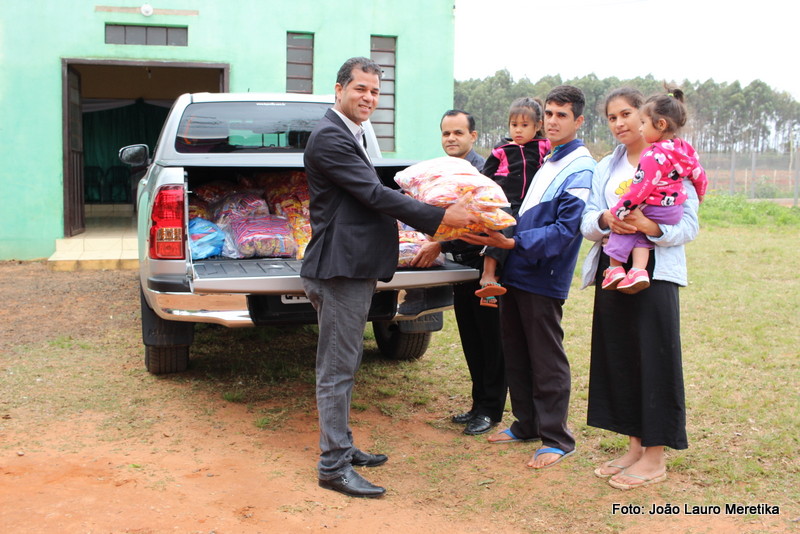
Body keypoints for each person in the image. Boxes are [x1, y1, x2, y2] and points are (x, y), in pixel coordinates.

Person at [300, 57, 476, 498]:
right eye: (360, 88)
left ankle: (342, 445)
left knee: (345, 364)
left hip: (352, 266)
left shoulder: (350, 132)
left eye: (376, 91)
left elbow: (372, 193)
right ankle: (333, 467)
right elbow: (373, 194)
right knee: (336, 370)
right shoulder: (330, 136)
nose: (369, 98)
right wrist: (439, 216)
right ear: (339, 89)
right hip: (339, 269)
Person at [461, 85, 594, 469]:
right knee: (517, 351)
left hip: (543, 273)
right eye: (548, 113)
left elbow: (566, 230)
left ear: (578, 121)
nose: (552, 121)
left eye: (561, 115)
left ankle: (557, 438)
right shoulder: (549, 158)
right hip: (517, 269)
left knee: (546, 357)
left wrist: (513, 241)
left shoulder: (581, 166)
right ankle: (527, 424)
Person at [580, 87, 699, 490]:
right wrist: (605, 220)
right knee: (622, 358)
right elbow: (587, 220)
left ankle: (655, 457)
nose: (619, 124)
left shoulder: (674, 160)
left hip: (656, 274)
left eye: (627, 114)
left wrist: (651, 227)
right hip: (613, 271)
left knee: (654, 360)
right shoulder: (605, 166)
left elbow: (689, 225)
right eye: (611, 118)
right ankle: (634, 448)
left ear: (648, 118)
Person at [410, 109, 507, 436]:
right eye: (446, 133)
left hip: (485, 268)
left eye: (458, 133)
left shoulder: (483, 172)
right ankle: (478, 404)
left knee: (491, 340)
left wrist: (439, 243)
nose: (451, 139)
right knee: (471, 338)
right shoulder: (444, 173)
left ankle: (491, 410)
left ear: (473, 136)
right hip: (458, 268)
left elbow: (485, 221)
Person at [601, 88, 707, 294]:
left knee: (626, 222)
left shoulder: (653, 155)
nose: (619, 123)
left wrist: (620, 210)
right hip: (671, 210)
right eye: (612, 118)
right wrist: (701, 193)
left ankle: (615, 268)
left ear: (660, 124)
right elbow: (699, 174)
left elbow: (640, 188)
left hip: (660, 258)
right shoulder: (684, 150)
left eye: (641, 121)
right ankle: (638, 271)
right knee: (639, 234)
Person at [475, 97, 550, 307]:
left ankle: (492, 290)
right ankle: (487, 275)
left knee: (518, 239)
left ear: (538, 126)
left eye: (524, 125)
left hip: (528, 204)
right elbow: (485, 176)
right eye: (514, 125)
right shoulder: (502, 149)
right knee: (502, 230)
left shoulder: (544, 146)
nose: (518, 130)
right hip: (504, 202)